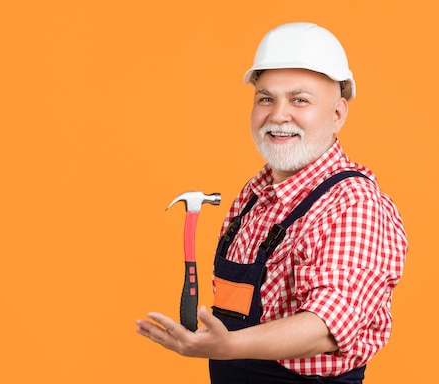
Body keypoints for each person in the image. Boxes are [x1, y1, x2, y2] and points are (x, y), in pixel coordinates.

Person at [136, 22, 408, 384]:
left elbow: (326, 327)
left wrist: (227, 346)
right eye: (266, 98)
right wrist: (218, 343)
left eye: (300, 100)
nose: (278, 115)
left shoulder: (354, 205)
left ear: (338, 113)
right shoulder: (253, 197)